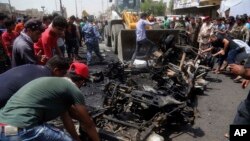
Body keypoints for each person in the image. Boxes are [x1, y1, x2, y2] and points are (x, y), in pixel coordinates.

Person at [0, 62, 99, 141]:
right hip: (22, 130)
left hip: (5, 130)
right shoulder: (73, 89)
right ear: (82, 81)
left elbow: (66, 119)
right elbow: (88, 124)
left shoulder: (50, 83)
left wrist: (76, 139)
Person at [0, 55, 69, 108]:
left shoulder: (31, 66)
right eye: (63, 73)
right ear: (56, 70)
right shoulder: (44, 80)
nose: (63, 77)